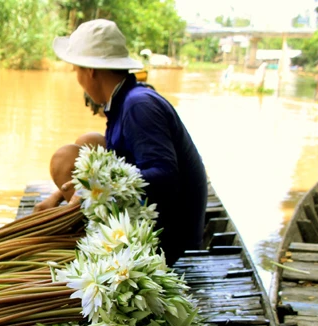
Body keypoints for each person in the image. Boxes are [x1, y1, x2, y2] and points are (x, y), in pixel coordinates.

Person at [35, 19, 208, 266]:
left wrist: (90, 191)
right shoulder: (126, 99)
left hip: (165, 237)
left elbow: (165, 175)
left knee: (64, 158)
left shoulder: (139, 105)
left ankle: (88, 234)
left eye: (76, 70)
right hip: (162, 218)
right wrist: (57, 197)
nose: (78, 79)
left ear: (90, 71)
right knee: (88, 143)